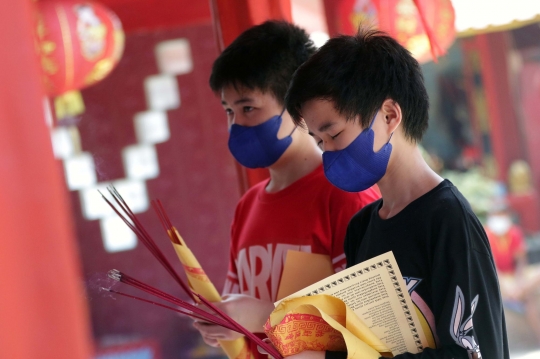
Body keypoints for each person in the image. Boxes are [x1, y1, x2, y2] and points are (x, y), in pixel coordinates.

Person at [282, 27, 509, 359]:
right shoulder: (360, 229)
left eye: (334, 133)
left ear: (389, 115)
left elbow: (473, 352)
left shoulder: (448, 219)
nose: (328, 152)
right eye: (319, 142)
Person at [192, 21, 380, 358]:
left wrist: (263, 315)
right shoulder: (247, 206)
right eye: (229, 112)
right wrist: (220, 322)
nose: (237, 125)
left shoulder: (346, 195)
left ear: (296, 106)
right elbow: (240, 323)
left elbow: (373, 325)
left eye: (249, 108)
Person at [485, 204, 540, 343]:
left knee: (535, 281)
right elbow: (493, 266)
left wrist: (519, 282)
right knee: (527, 300)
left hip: (515, 277)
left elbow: (521, 261)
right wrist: (506, 286)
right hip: (499, 278)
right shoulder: (486, 234)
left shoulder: (514, 232)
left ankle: (519, 294)